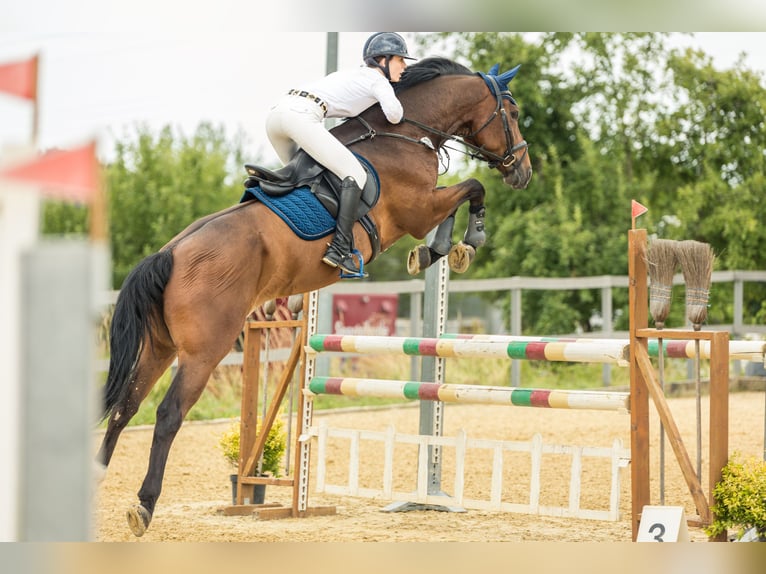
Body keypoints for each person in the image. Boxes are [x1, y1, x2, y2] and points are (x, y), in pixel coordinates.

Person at [265, 32, 415, 276]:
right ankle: (340, 249)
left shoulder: (352, 75)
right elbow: (395, 115)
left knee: (301, 183)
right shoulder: (378, 81)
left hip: (276, 116)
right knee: (354, 174)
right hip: (301, 116)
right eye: (401, 59)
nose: (405, 66)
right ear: (383, 60)